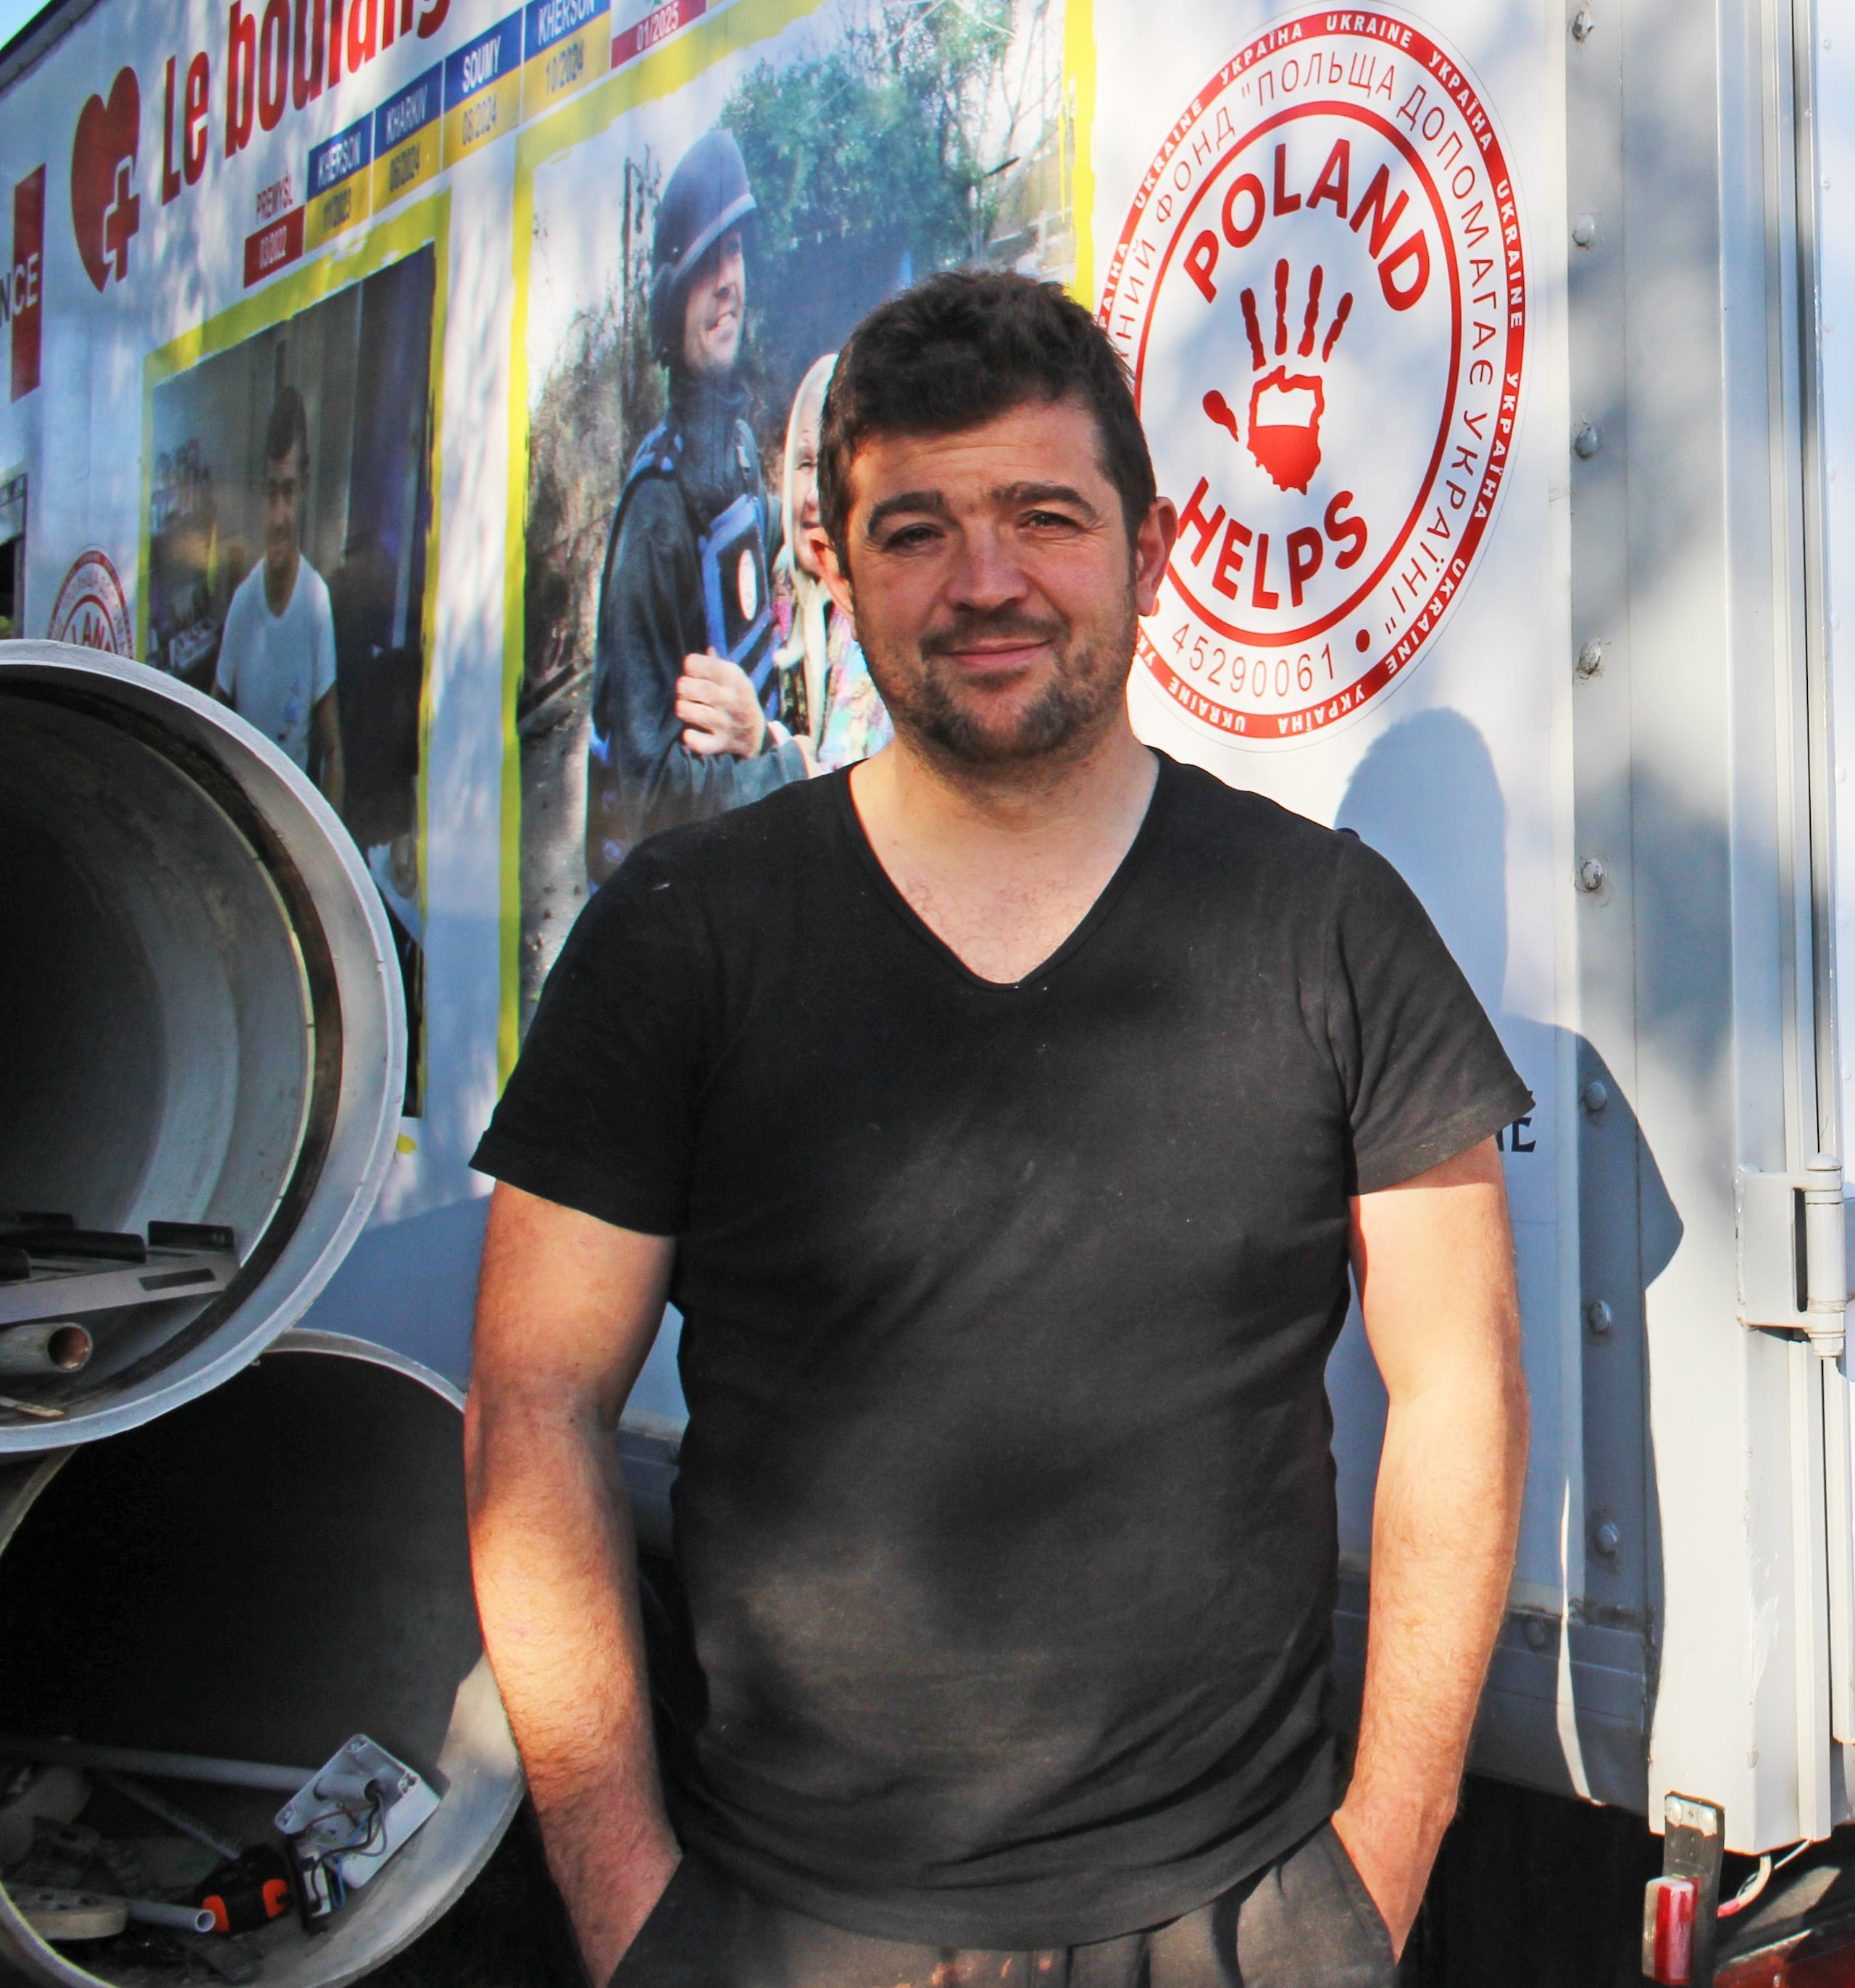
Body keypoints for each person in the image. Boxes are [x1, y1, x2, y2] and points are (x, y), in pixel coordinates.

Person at [467, 269, 1530, 1988]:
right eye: (915, 530)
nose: (985, 581)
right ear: (835, 563)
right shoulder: (684, 934)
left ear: (1149, 546)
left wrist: (1369, 1882)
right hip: (787, 1927)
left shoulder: (1330, 927)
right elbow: (532, 1400)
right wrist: (634, 1915)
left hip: (1235, 1923)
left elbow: (1463, 1380)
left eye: (1044, 514)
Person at [587, 127, 806, 877]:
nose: (727, 279)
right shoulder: (654, 513)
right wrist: (789, 771)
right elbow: (647, 797)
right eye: (706, 260)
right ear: (670, 299)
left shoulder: (742, 450)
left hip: (754, 867)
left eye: (735, 252)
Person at [216, 383, 343, 801]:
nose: (279, 517)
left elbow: (332, 749)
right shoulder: (242, 604)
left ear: (303, 487)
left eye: (288, 492)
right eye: (271, 493)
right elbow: (208, 730)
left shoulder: (315, 601)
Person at [771, 354, 891, 772]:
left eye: (832, 469)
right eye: (806, 464)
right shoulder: (784, 580)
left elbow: (846, 795)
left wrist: (762, 745)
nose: (811, 498)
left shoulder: (876, 611)